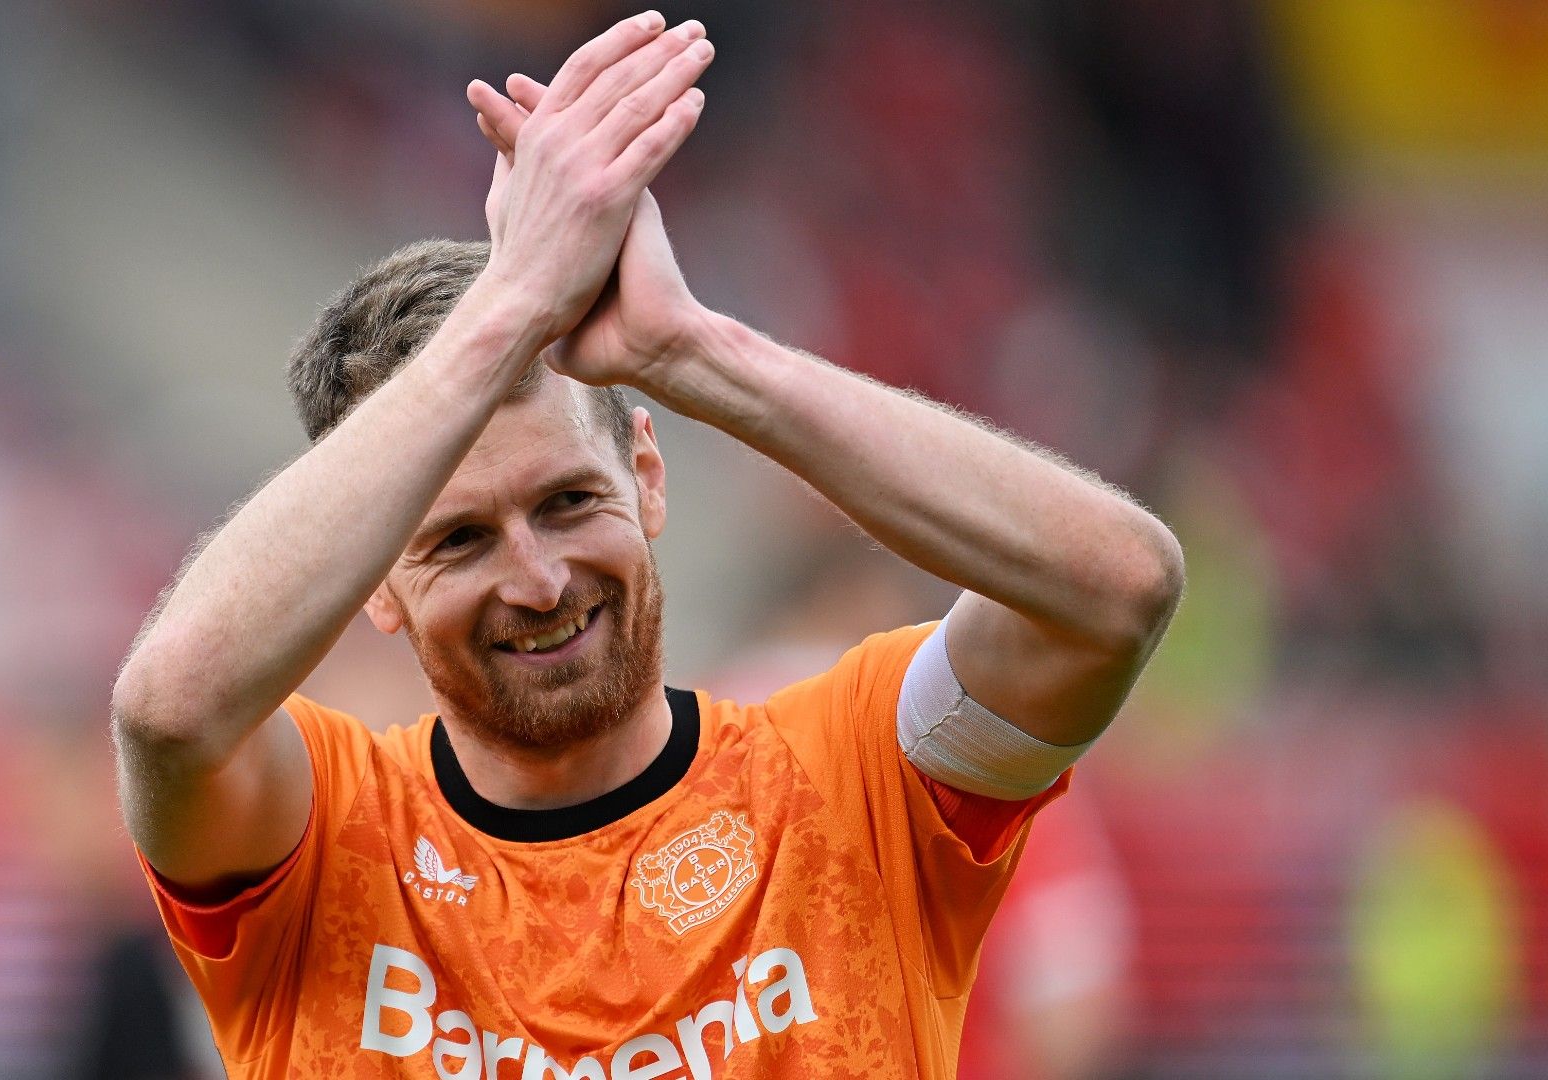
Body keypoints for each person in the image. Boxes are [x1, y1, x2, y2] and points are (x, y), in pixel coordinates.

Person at [110, 12, 1184, 1078]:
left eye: (571, 502)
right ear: (378, 583)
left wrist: (695, 349)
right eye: (459, 539)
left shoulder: (859, 781)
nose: (536, 580)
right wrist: (512, 305)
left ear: (649, 476)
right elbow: (168, 713)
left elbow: (1116, 587)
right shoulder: (320, 840)